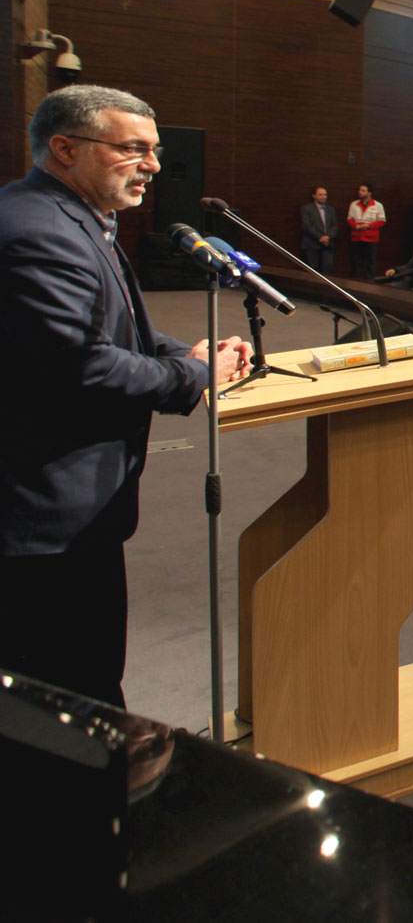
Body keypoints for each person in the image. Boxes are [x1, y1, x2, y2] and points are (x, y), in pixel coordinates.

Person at [0, 86, 249, 705]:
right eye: (133, 149)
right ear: (65, 148)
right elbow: (78, 366)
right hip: (46, 516)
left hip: (61, 506)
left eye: (156, 150)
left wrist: (178, 354)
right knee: (71, 693)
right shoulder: (41, 233)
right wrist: (196, 377)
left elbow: (112, 329)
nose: (155, 166)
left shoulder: (67, 216)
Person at [345, 183, 385, 280]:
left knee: (370, 261)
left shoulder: (377, 205)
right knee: (357, 261)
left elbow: (382, 221)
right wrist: (356, 226)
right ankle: (357, 280)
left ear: (369, 193)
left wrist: (368, 226)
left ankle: (370, 281)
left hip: (371, 238)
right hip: (357, 236)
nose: (360, 192)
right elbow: (349, 219)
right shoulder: (354, 204)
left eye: (363, 191)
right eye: (359, 190)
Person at [300, 185, 338, 273]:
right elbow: (307, 226)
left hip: (327, 245)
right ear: (314, 196)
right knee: (313, 271)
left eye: (325, 195)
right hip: (312, 245)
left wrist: (328, 237)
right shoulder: (306, 209)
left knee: (327, 270)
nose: (323, 197)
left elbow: (334, 226)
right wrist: (320, 237)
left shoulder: (330, 209)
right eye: (320, 195)